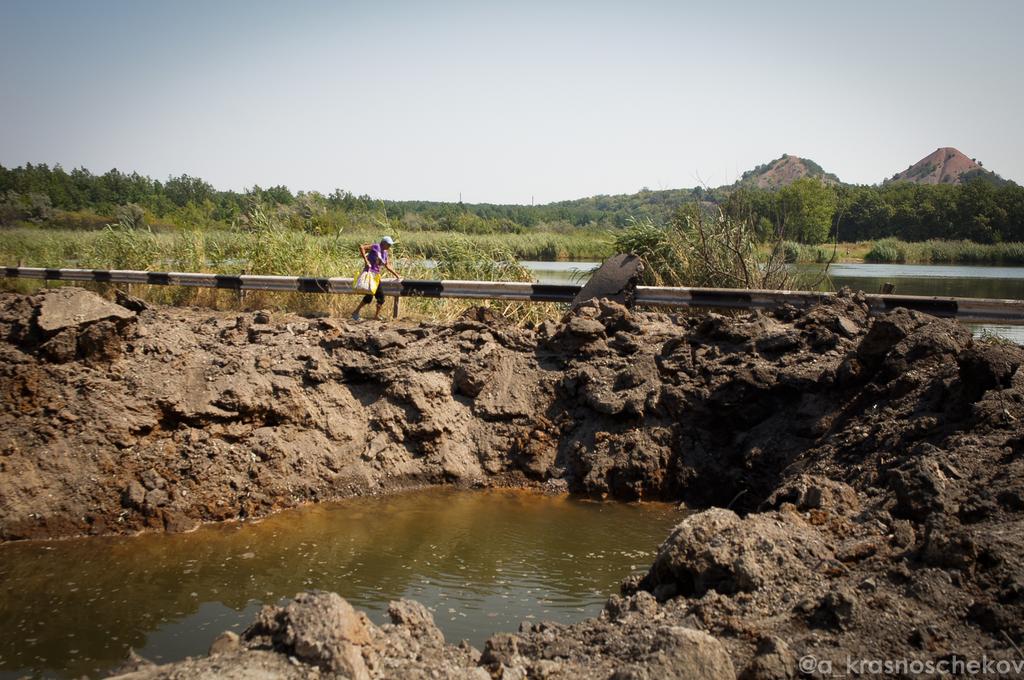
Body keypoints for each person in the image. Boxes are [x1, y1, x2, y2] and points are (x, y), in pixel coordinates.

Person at [352, 236, 400, 320]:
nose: (390, 246)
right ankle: (374, 316)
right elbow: (362, 247)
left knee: (369, 297)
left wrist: (397, 275)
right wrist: (366, 261)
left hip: (376, 276)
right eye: (388, 244)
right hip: (370, 274)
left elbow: (387, 265)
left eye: (390, 245)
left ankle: (356, 312)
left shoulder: (385, 253)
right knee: (380, 297)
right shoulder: (376, 246)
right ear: (383, 243)